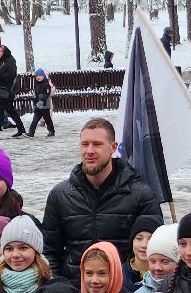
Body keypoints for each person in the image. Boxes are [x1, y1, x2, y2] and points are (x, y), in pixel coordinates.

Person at [41, 119, 163, 281]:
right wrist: (58, 287)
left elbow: (156, 249)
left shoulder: (140, 194)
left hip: (124, 291)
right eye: (85, 144)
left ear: (113, 148)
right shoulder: (60, 195)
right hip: (75, 290)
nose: (89, 151)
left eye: (97, 144)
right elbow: (50, 252)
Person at [0, 43, 27, 140]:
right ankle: (21, 129)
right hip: (0, 90)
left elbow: (10, 76)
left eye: (1, 51)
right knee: (11, 111)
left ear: (5, 52)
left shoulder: (10, 61)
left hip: (5, 90)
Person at [27, 67, 57, 137]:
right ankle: (31, 133)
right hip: (38, 105)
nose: (38, 77)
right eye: (37, 76)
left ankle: (51, 131)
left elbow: (46, 95)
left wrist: (41, 102)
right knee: (35, 119)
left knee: (47, 119)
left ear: (43, 76)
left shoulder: (46, 84)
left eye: (40, 76)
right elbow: (36, 95)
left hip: (44, 105)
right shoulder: (37, 84)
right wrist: (36, 103)